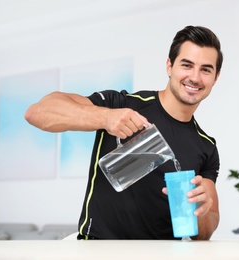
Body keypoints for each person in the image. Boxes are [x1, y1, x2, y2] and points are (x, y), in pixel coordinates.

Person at [25, 25, 223, 240]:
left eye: (205, 69)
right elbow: (37, 113)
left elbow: (205, 232)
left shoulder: (206, 147)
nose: (195, 77)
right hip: (98, 250)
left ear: (216, 77)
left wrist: (202, 210)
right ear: (169, 66)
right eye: (187, 65)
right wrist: (104, 117)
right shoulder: (122, 104)